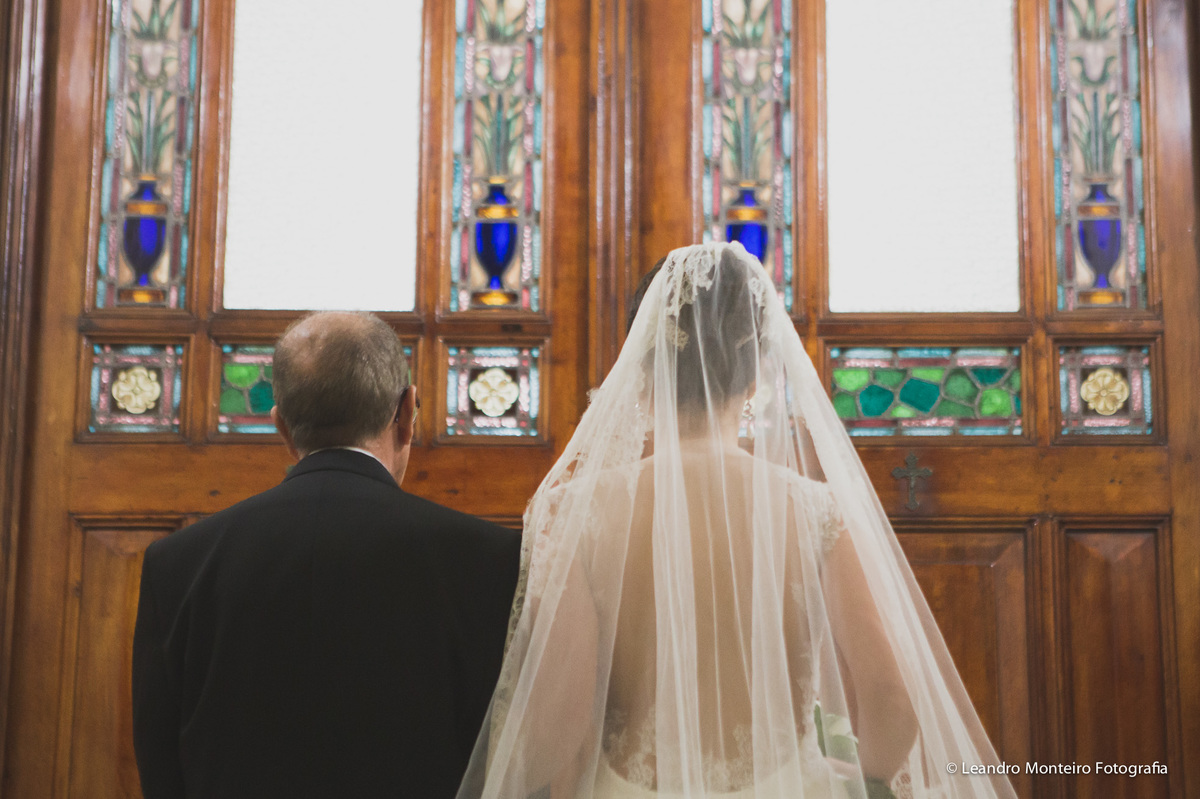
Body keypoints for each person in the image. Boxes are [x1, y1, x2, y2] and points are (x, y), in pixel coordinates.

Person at [457, 243, 1016, 798]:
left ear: (643, 369)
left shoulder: (578, 512)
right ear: (753, 383)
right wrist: (859, 774)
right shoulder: (814, 510)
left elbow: (560, 715)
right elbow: (892, 698)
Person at [132, 312, 521, 798]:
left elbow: (162, 769)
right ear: (406, 412)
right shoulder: (492, 559)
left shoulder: (177, 563)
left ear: (280, 425)